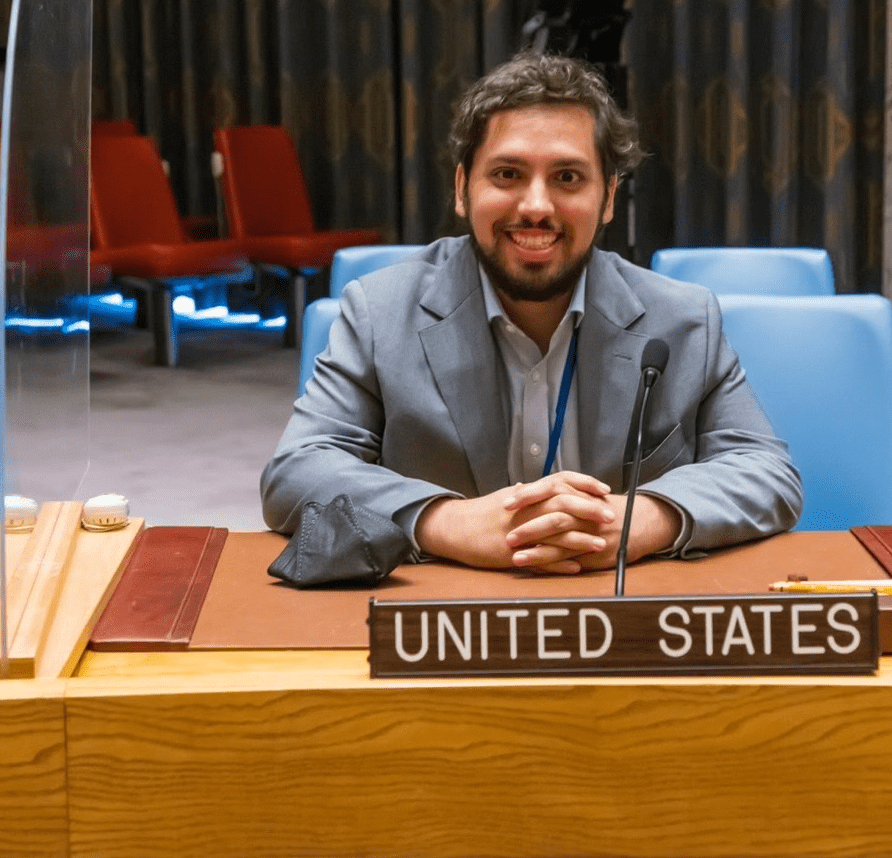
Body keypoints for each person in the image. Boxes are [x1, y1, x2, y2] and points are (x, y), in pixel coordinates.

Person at [260, 52, 802, 574]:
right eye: (507, 175)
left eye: (568, 177)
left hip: (618, 620)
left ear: (608, 198)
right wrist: (447, 522)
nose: (536, 206)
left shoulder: (682, 321)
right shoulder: (379, 312)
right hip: (443, 625)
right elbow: (296, 472)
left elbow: (767, 472)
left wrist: (642, 519)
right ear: (462, 189)